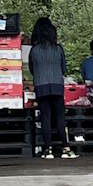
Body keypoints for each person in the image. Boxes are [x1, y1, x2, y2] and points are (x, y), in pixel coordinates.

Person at [29, 17, 78, 160]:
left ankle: (47, 149)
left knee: (45, 117)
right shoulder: (58, 49)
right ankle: (66, 148)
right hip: (57, 85)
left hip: (41, 86)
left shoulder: (34, 50)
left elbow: (32, 69)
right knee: (60, 117)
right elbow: (63, 68)